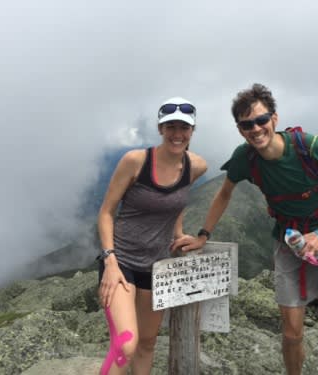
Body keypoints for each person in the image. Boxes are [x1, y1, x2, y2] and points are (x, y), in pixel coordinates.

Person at [174, 83, 318, 375]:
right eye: (247, 124)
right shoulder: (245, 158)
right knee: (293, 333)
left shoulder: (310, 146)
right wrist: (203, 235)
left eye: (261, 120)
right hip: (290, 244)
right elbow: (224, 194)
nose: (256, 129)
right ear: (240, 129)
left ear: (274, 119)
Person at [97, 97, 207, 375]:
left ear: (192, 131)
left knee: (147, 343)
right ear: (160, 128)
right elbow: (106, 213)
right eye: (170, 126)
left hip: (156, 266)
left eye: (184, 127)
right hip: (121, 262)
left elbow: (177, 200)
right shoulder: (136, 161)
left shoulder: (196, 167)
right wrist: (109, 261)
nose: (177, 134)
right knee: (126, 345)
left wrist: (179, 232)